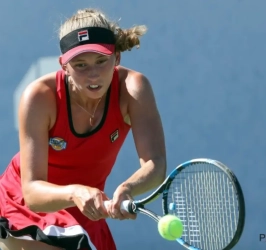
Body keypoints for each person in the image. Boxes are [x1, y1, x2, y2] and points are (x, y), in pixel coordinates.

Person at [0, 8, 166, 250]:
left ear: (117, 57)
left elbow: (156, 162)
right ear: (64, 66)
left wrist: (128, 187)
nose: (94, 74)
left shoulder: (134, 89)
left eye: (101, 61)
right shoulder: (38, 97)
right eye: (80, 65)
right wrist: (74, 192)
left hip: (85, 210)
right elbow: (33, 193)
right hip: (23, 207)